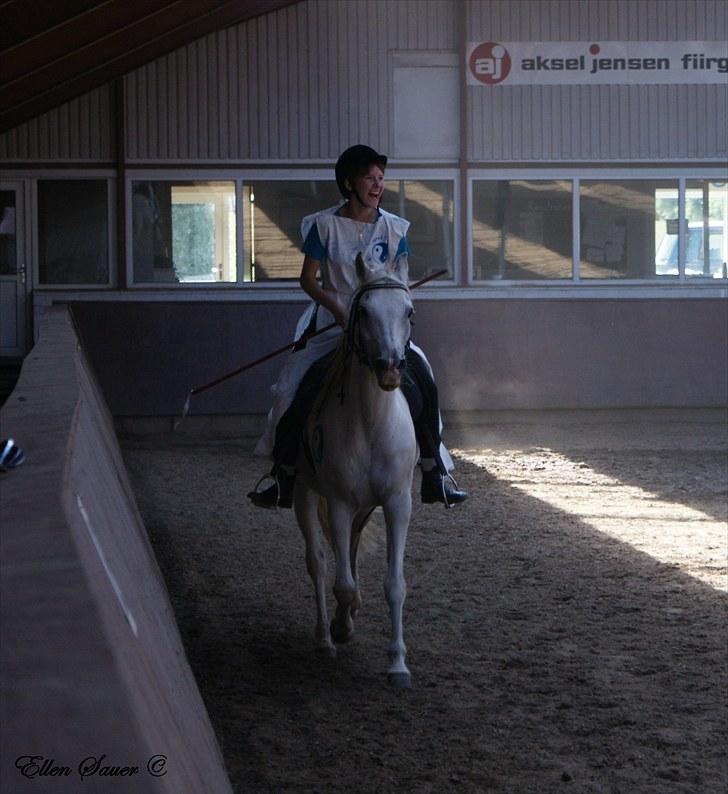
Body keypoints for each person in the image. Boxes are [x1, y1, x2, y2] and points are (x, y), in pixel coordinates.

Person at [248, 145, 467, 509]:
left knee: (425, 380)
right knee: (290, 388)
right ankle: (283, 473)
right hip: (335, 325)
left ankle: (433, 471)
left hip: (380, 327)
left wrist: (389, 305)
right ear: (349, 183)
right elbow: (308, 279)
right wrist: (337, 308)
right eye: (370, 178)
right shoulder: (323, 226)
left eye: (381, 179)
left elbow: (399, 280)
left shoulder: (396, 229)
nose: (377, 185)